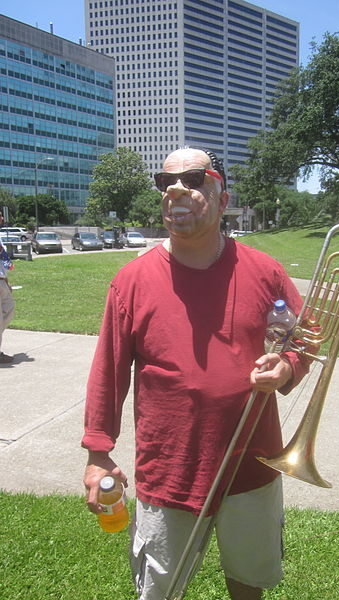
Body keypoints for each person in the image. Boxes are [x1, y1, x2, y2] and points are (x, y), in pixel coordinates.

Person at [82, 148, 313, 600]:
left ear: (223, 199)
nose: (175, 189)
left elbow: (305, 336)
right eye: (164, 181)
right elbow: (108, 372)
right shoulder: (131, 280)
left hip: (253, 465)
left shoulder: (265, 272)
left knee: (249, 583)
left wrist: (288, 366)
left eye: (192, 178)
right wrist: (97, 453)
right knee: (161, 591)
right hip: (169, 470)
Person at [0, 233, 15, 364]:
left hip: (2, 281)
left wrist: (6, 281)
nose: (1, 217)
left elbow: (2, 262)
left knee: (9, 311)